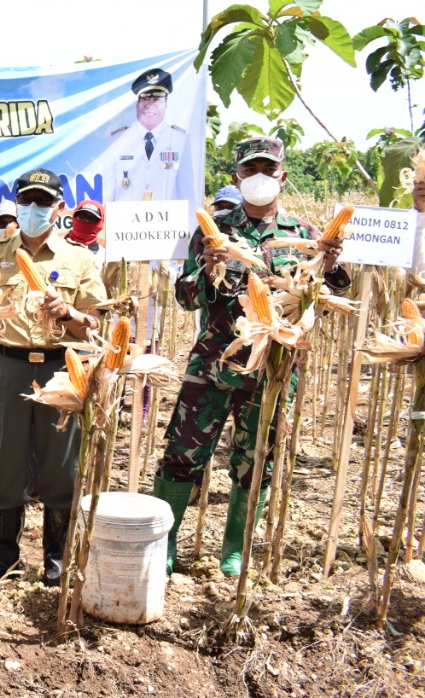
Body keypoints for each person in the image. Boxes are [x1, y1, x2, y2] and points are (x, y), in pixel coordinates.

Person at [153, 137, 349, 576]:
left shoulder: (303, 234)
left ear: (283, 175)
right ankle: (164, 544)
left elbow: (328, 294)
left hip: (273, 370)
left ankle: (235, 550)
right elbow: (185, 297)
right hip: (213, 364)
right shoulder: (213, 231)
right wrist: (208, 267)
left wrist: (330, 265)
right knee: (182, 454)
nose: (259, 176)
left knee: (257, 458)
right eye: (250, 169)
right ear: (236, 177)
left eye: (268, 169)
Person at [0, 168, 105, 586]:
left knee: (60, 462)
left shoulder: (79, 258)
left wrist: (69, 313)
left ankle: (56, 558)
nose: (33, 208)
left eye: (44, 201)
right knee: (5, 460)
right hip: (8, 365)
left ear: (58, 208)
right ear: (16, 203)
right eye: (26, 200)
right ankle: (4, 556)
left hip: (62, 366)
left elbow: (95, 323)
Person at [101, 68, 188, 203]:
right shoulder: (116, 141)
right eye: (145, 98)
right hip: (126, 216)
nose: (150, 104)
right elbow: (107, 191)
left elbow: (187, 189)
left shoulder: (180, 140)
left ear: (166, 103)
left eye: (157, 99)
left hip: (168, 216)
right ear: (137, 104)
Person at [64, 199, 105, 264]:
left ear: (100, 223)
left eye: (92, 219)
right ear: (74, 217)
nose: (86, 221)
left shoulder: (103, 256)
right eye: (82, 216)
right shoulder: (56, 246)